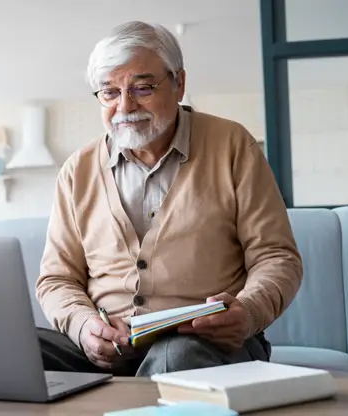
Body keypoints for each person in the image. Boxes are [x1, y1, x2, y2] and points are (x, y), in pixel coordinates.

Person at [35, 21, 303, 377]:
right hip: (108, 346)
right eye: (110, 93)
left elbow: (277, 256)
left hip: (207, 342)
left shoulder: (233, 146)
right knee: (12, 350)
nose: (125, 106)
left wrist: (248, 311)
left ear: (179, 83)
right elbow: (56, 279)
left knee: (172, 357)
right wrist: (85, 327)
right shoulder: (77, 170)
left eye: (142, 88)